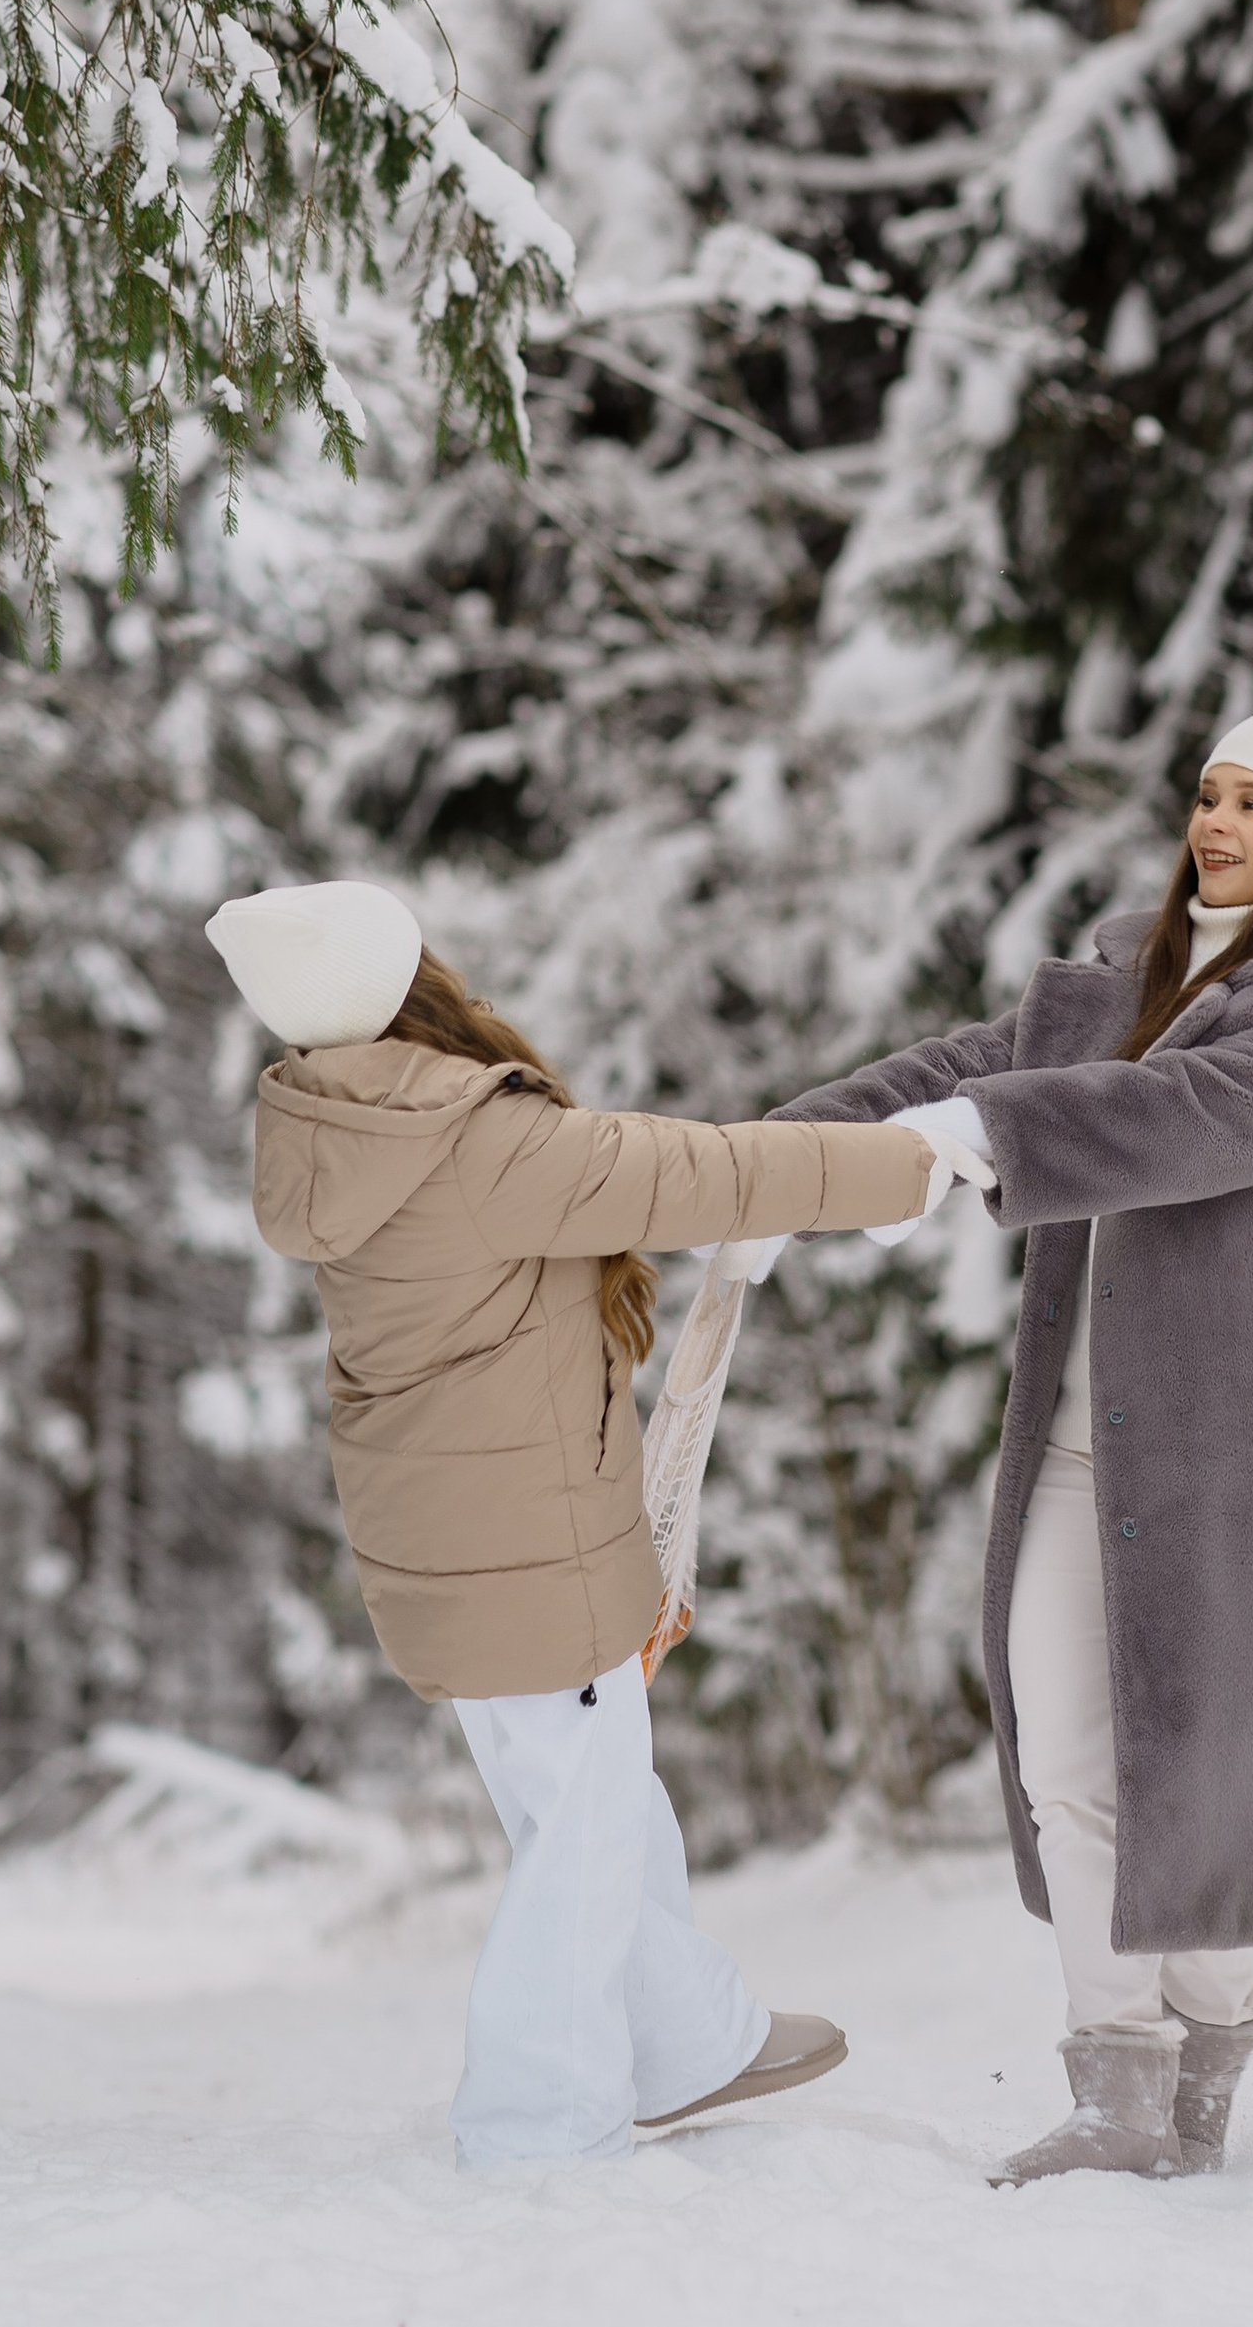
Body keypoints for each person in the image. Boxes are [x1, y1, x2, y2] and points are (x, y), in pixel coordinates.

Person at [774, 694, 1253, 2186]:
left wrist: (972, 1138)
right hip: (1078, 1444)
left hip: (1251, 1453)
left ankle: (1212, 2034)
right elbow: (945, 1079)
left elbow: (1168, 1117)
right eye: (1209, 790)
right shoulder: (1112, 977)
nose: (1219, 821)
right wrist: (773, 1157)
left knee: (1221, 1770)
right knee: (1066, 1755)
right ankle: (1117, 2085)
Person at [215, 876, 942, 2169]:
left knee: (595, 1805)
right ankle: (537, 2123)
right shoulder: (477, 1140)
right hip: (529, 1545)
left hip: (453, 1540)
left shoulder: (331, 1121)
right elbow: (710, 1170)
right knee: (586, 1836)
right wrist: (919, 1162)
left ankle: (689, 2041)